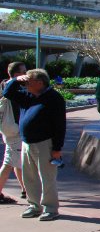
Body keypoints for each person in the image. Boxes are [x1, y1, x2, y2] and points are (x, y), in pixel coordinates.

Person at [2, 69, 66, 221]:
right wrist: (16, 80)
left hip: (45, 144)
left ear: (40, 82)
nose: (26, 85)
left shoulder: (54, 98)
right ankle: (34, 206)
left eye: (28, 81)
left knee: (47, 178)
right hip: (27, 143)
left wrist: (57, 148)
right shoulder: (28, 96)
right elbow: (7, 93)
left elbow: (59, 125)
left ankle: (51, 208)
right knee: (29, 177)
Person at [0, 62, 27, 203]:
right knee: (9, 161)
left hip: (7, 128)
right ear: (17, 74)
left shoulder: (3, 84)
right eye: (24, 71)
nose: (26, 73)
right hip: (14, 129)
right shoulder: (13, 88)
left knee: (16, 160)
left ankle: (25, 189)